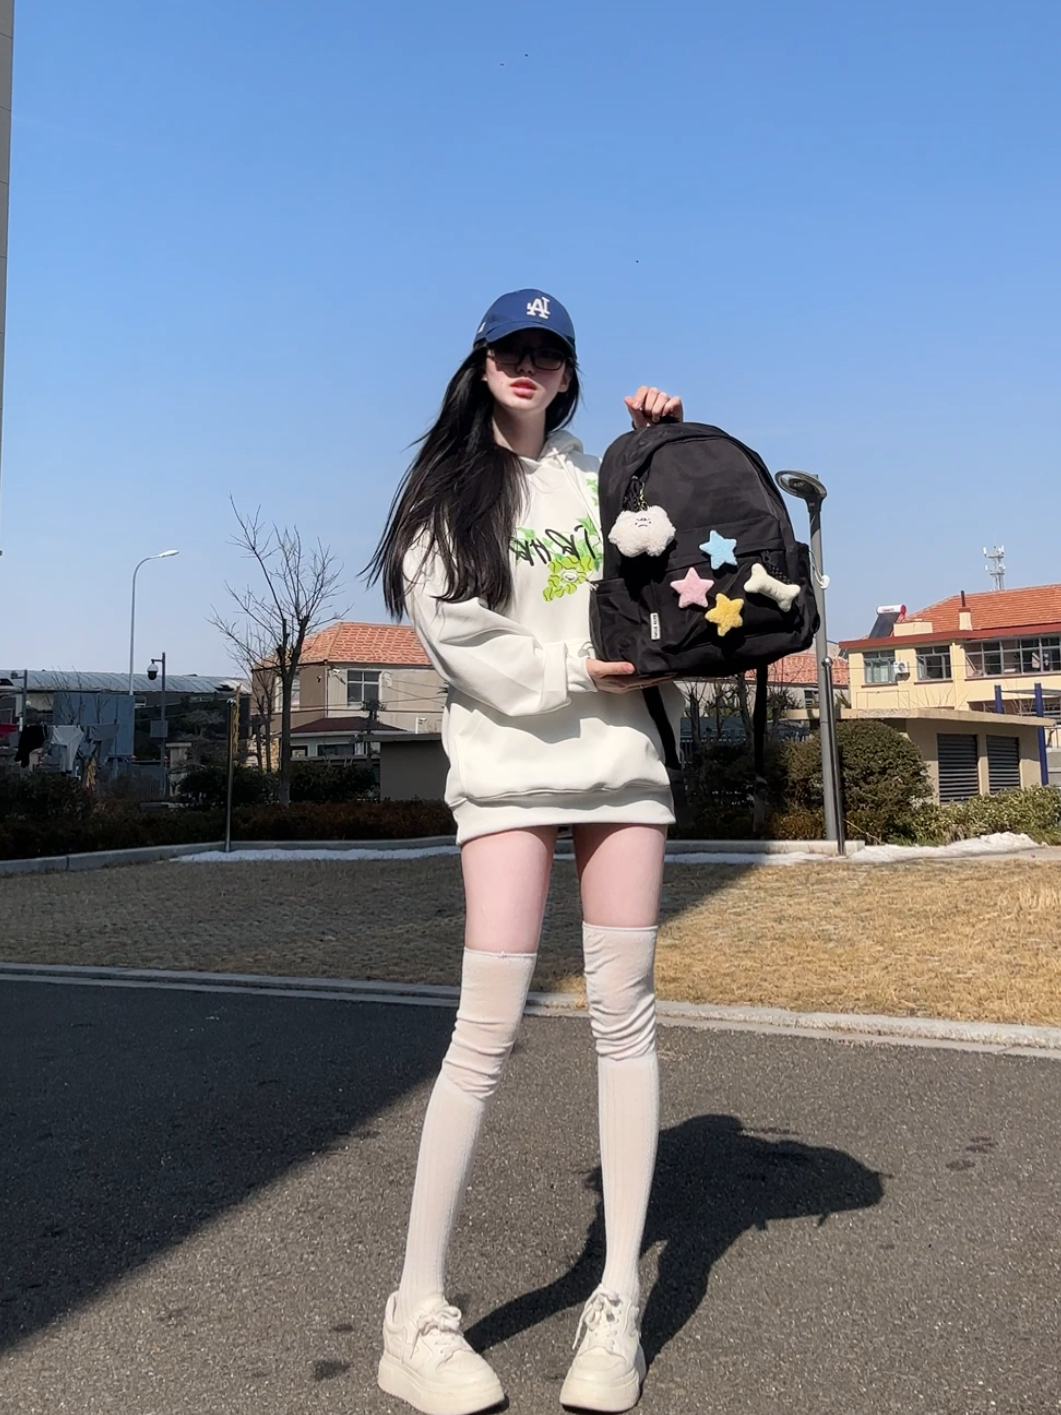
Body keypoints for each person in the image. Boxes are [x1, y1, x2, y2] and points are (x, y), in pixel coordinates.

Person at [367, 288, 684, 1415]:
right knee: (485, 1026)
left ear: (568, 374)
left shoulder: (601, 477)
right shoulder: (445, 490)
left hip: (621, 762)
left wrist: (659, 452)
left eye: (549, 351)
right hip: (506, 767)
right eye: (513, 346)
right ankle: (414, 1310)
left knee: (624, 1014)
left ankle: (616, 1299)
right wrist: (571, 672)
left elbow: (672, 575)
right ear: (482, 360)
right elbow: (458, 636)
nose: (530, 363)